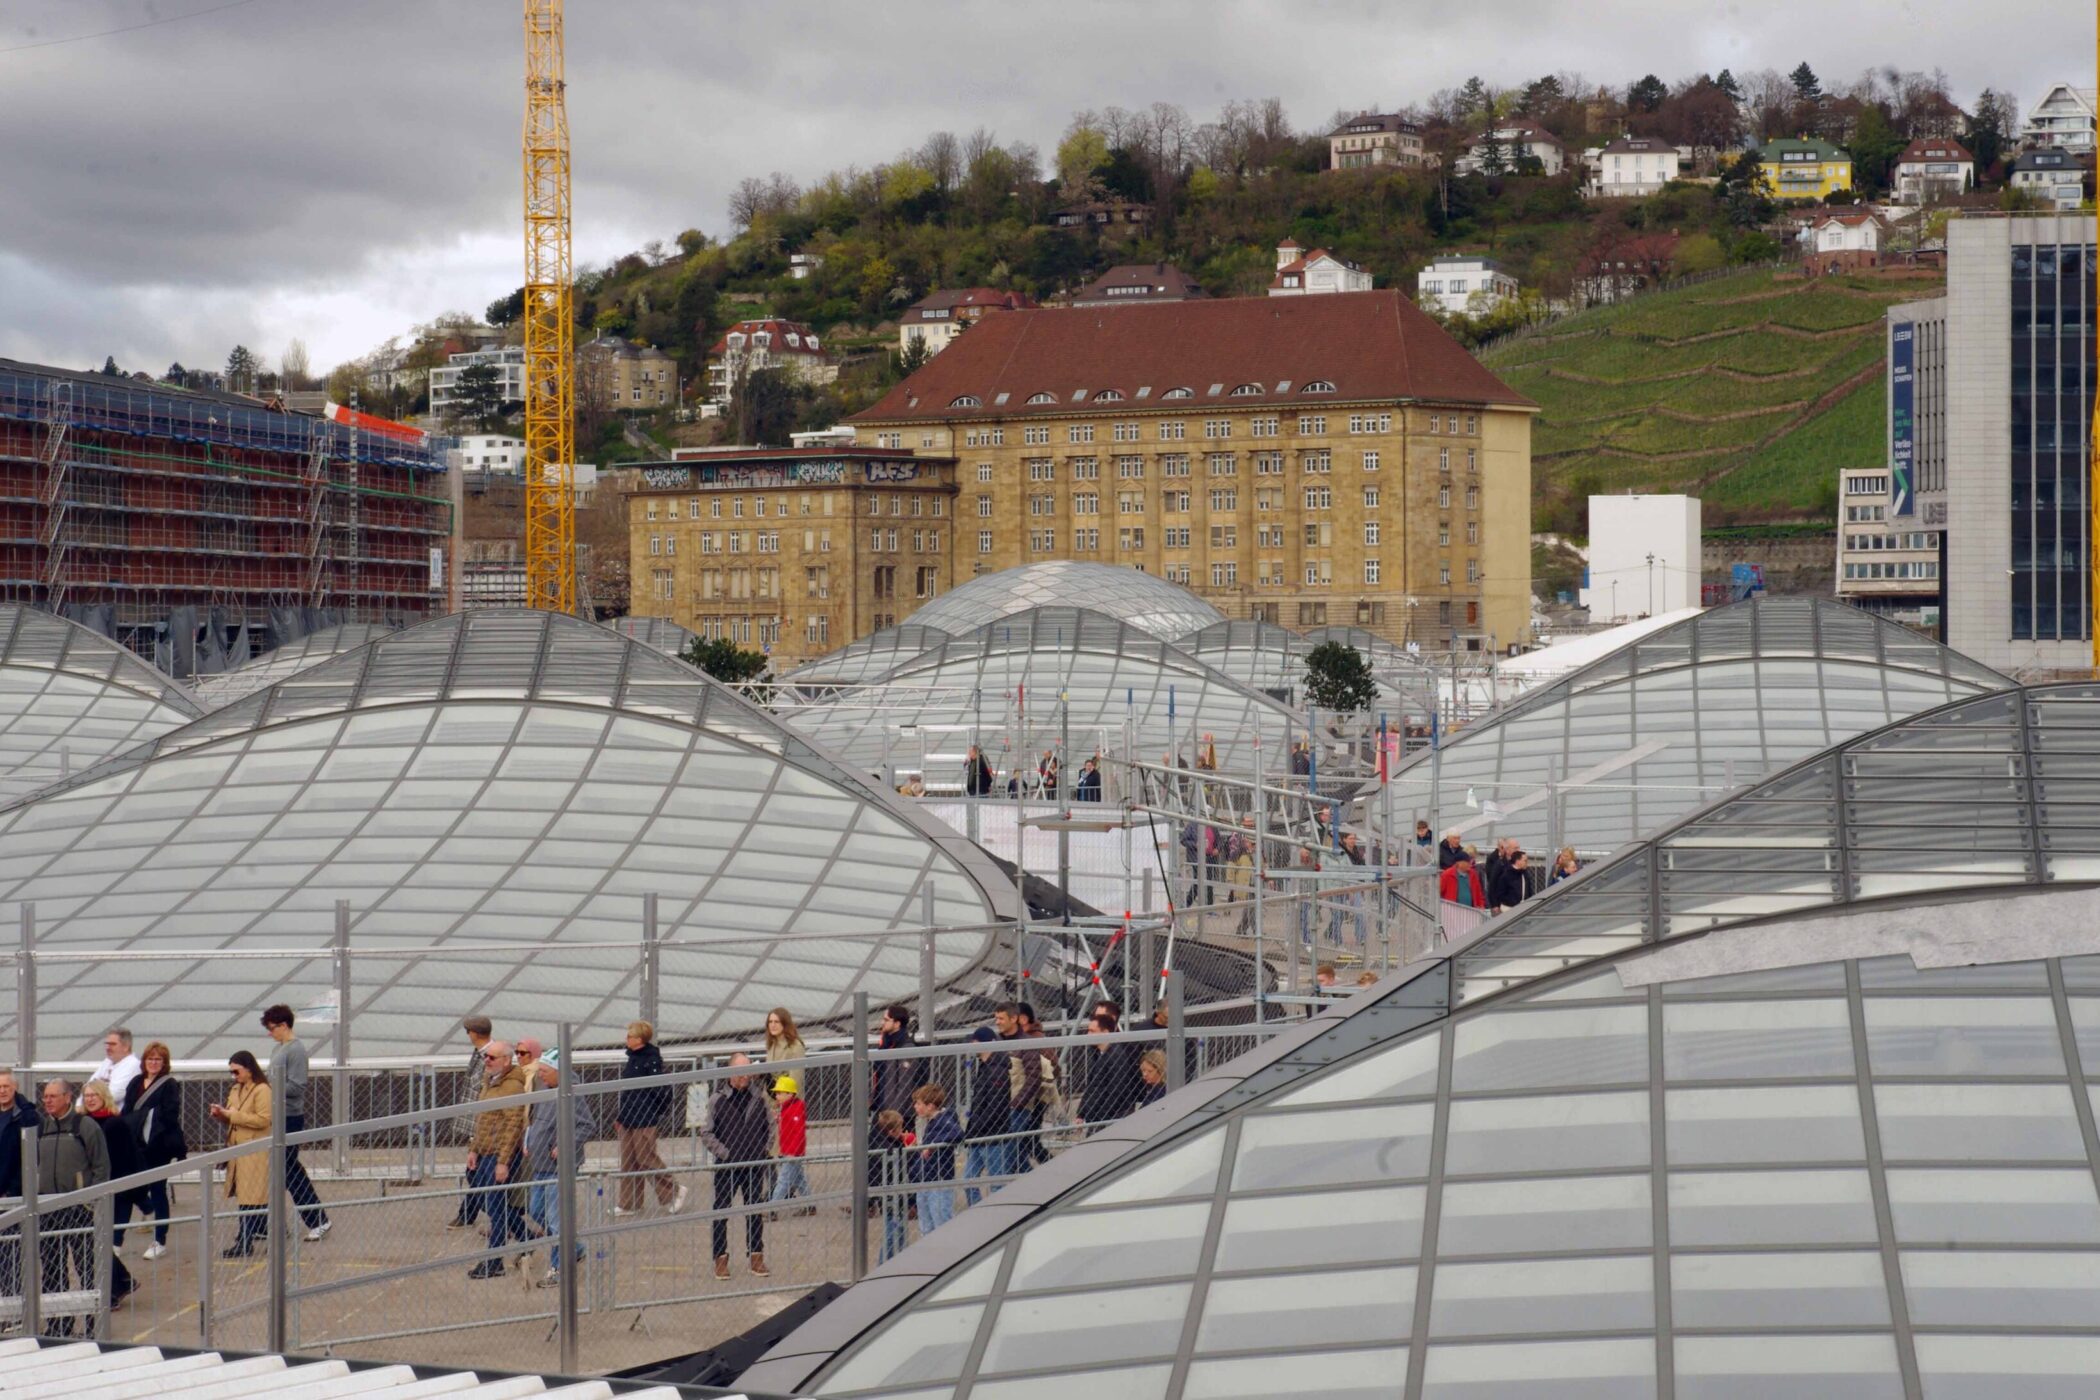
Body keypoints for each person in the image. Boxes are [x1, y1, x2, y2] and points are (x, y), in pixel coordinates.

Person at [36, 1078, 117, 1329]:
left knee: (87, 1267)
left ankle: (95, 1322)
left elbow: (102, 1167)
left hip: (79, 1209)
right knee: (51, 1269)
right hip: (48, 1209)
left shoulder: (85, 1126)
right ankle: (59, 1323)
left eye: (53, 1096)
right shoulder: (41, 1128)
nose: (47, 1101)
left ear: (67, 1097)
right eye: (45, 1097)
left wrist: (91, 1203)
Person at [261, 1004, 330, 1242]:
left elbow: (297, 1085)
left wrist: (270, 1088)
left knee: (288, 1170)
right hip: (277, 1115)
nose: (270, 1033)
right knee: (282, 1170)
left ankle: (317, 1218)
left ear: (283, 1025)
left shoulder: (296, 1050)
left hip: (289, 1116)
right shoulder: (278, 1050)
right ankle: (275, 1222)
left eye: (272, 1028)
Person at [522, 1049, 589, 1289]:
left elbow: (586, 1125)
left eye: (544, 1071)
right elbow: (534, 1120)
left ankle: (559, 1268)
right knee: (536, 1210)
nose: (540, 1075)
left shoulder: (572, 1093)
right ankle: (576, 1248)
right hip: (540, 1164)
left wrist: (564, 1144)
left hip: (558, 1168)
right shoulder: (544, 1091)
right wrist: (527, 1139)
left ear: (559, 1072)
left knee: (556, 1218)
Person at [701, 1054, 771, 1280]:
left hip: (753, 1164)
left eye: (748, 1071)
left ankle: (756, 1257)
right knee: (721, 1211)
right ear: (730, 1072)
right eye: (740, 1072)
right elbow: (707, 1132)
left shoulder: (759, 1097)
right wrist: (725, 1153)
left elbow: (771, 1127)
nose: (745, 1076)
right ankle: (720, 1259)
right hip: (727, 1166)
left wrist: (763, 1151)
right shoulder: (717, 1099)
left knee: (754, 1211)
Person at [465, 1039, 529, 1279]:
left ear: (506, 1060)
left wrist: (503, 1161)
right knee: (492, 1202)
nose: (487, 1061)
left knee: (496, 1205)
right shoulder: (489, 1083)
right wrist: (474, 1148)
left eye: (492, 1058)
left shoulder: (511, 1086)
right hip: (485, 1151)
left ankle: (494, 1260)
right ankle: (526, 1237)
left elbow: (513, 1125)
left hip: (499, 1154)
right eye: (486, 1057)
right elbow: (482, 1120)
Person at [76, 1083, 141, 1306]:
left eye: (94, 1095)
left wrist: (131, 1194)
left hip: (112, 1190)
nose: (90, 1099)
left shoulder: (115, 1124)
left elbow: (125, 1159)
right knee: (96, 1240)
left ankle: (116, 1285)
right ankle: (121, 1280)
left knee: (101, 1240)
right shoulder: (83, 1123)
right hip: (90, 1189)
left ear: (104, 1097)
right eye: (86, 1096)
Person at [613, 1020, 685, 1217]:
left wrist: (655, 1111)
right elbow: (627, 1092)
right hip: (629, 1116)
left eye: (629, 1036)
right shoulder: (632, 1059)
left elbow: (659, 1089)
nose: (626, 1039)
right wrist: (620, 1116)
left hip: (644, 1117)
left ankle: (673, 1191)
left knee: (646, 1157)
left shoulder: (651, 1060)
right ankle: (629, 1203)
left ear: (639, 1039)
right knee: (628, 1160)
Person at [120, 1043, 183, 1258]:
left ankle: (159, 1239)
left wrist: (149, 1122)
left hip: (158, 1146)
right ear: (144, 1061)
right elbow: (127, 1110)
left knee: (158, 1190)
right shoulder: (135, 1083)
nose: (154, 1062)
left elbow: (170, 1114)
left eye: (158, 1059)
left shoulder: (169, 1085)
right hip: (136, 1145)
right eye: (150, 1058)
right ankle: (116, 1241)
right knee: (129, 1190)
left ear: (164, 1063)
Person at [208, 1054, 271, 1258]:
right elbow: (233, 1118)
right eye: (231, 1072)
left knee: (251, 1197)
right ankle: (250, 1236)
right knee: (247, 1197)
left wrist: (230, 1115)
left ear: (249, 1069)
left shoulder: (262, 1090)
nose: (234, 1076)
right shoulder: (236, 1089)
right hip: (238, 1149)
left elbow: (263, 1120)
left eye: (236, 1071)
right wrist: (221, 1115)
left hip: (254, 1150)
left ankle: (245, 1241)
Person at [449, 1014, 495, 1229]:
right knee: (475, 1171)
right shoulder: (480, 1054)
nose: (467, 1035)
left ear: (475, 1033)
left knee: (476, 1172)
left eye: (468, 1031)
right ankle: (468, 1214)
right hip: (475, 1123)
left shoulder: (491, 1057)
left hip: (483, 1124)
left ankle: (502, 1217)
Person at [0, 1070, 39, 1296]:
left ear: (15, 1088)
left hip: (10, 1195)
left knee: (9, 1251)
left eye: (6, 1086)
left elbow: (28, 1158)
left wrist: (12, 1191)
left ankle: (12, 1301)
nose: (2, 1091)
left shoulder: (23, 1116)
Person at [961, 1026, 1008, 1204]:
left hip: (992, 1136)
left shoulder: (997, 1070)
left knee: (996, 1182)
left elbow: (994, 1107)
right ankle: (980, 1213)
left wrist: (975, 1128)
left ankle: (997, 1218)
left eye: (974, 1043)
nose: (971, 1047)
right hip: (979, 1135)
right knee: (968, 1180)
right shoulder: (984, 1067)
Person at [908, 1084, 962, 1239]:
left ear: (930, 1106)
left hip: (938, 1180)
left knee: (941, 1223)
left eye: (918, 1103)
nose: (915, 1107)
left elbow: (957, 1133)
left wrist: (932, 1147)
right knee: (926, 1227)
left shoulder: (943, 1120)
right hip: (925, 1179)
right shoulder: (931, 1122)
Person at [1077, 1007, 1140, 1132]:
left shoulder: (1115, 1056)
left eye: (1092, 1031)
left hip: (1109, 1119)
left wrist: (1097, 1116)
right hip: (1101, 1118)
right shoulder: (1100, 1054)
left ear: (1105, 1032)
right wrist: (1082, 1113)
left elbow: (1116, 1090)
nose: (1088, 1035)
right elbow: (1093, 1086)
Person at [1013, 1004, 1058, 1167]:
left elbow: (1053, 1067)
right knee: (1028, 1140)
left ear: (1023, 1019)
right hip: (1031, 1097)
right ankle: (1048, 1167)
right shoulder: (1026, 1038)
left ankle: (1046, 1167)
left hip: (1035, 1098)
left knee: (1025, 1139)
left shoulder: (1034, 1040)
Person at [871, 1004, 924, 1120]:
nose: (882, 1023)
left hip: (897, 1114)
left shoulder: (905, 1047)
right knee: (873, 1137)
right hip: (882, 1107)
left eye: (886, 1020)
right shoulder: (886, 1044)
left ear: (897, 1024)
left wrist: (895, 1113)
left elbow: (905, 1084)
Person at [873, 1109, 911, 1264]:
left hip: (891, 1193)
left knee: (897, 1231)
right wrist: (910, 1150)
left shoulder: (881, 1140)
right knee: (893, 1233)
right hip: (892, 1194)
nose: (902, 1131)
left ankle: (892, 1262)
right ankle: (884, 1265)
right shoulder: (889, 1148)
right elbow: (901, 1165)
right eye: (900, 1129)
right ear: (892, 1131)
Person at [766, 1073, 809, 1212]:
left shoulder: (795, 1108)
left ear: (790, 1094)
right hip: (788, 1151)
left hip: (793, 1152)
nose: (777, 1096)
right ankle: (810, 1204)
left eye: (780, 1093)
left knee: (783, 1180)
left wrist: (793, 1152)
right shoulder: (786, 1108)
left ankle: (772, 1208)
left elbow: (798, 1132)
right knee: (799, 1179)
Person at [87, 1028, 141, 1110]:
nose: (108, 1047)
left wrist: (96, 1090)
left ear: (126, 1047)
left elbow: (114, 1095)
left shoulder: (133, 1064)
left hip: (117, 1117)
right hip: (98, 1113)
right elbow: (88, 1087)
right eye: (107, 1044)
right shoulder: (107, 1062)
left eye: (112, 1044)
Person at [1490, 849, 1529, 914]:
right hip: (1508, 909)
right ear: (1518, 861)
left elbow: (1529, 891)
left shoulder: (1525, 874)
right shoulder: (1506, 875)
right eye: (1525, 861)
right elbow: (1500, 893)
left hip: (1523, 908)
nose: (1527, 863)